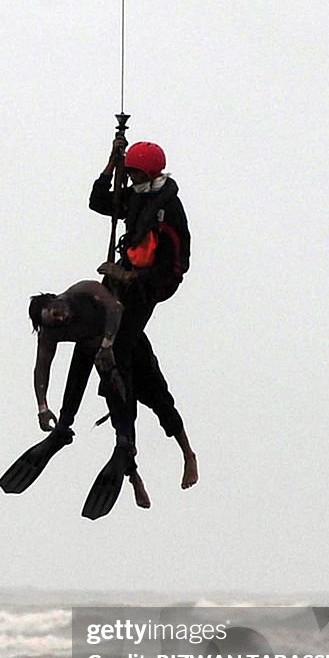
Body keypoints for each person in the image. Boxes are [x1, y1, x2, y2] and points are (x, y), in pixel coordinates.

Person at [30, 279, 197, 507]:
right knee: (122, 418)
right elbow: (42, 367)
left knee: (159, 400)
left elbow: (116, 308)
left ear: (58, 299)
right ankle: (132, 475)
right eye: (54, 321)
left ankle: (188, 454)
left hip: (126, 343)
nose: (61, 320)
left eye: (58, 313)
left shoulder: (83, 291)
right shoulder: (49, 331)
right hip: (98, 355)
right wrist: (42, 406)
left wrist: (108, 345)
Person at [89, 137, 197, 489]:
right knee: (118, 354)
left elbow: (173, 264)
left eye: (135, 174)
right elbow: (98, 202)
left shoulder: (169, 209)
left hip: (146, 288)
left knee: (119, 352)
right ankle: (132, 457)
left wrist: (129, 276)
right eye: (130, 175)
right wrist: (111, 166)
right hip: (125, 282)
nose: (132, 181)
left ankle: (172, 451)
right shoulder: (136, 196)